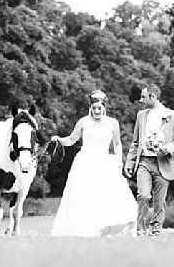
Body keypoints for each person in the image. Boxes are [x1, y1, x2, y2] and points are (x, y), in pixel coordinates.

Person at [49, 91, 137, 236]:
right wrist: (58, 140)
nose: (96, 111)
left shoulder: (112, 123)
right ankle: (84, 228)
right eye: (94, 108)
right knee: (84, 195)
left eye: (99, 108)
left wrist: (118, 161)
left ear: (104, 108)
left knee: (104, 195)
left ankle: (103, 228)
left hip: (104, 162)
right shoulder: (83, 122)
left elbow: (117, 144)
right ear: (90, 107)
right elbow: (71, 140)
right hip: (85, 162)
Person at [124, 83, 174, 236]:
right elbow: (135, 142)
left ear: (153, 97)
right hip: (144, 162)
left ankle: (155, 231)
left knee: (159, 201)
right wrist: (130, 162)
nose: (141, 100)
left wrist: (169, 148)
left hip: (163, 162)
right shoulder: (141, 116)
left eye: (143, 97)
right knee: (143, 195)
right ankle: (141, 230)